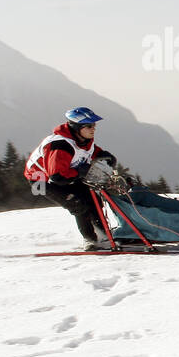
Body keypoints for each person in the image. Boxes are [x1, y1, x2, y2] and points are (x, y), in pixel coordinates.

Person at [23, 107, 120, 250]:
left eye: (94, 125)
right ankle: (90, 240)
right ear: (77, 127)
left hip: (65, 175)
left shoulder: (83, 139)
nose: (93, 129)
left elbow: (91, 152)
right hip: (42, 181)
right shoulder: (60, 145)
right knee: (78, 205)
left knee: (92, 198)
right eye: (89, 126)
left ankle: (105, 235)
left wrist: (106, 156)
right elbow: (57, 177)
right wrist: (80, 171)